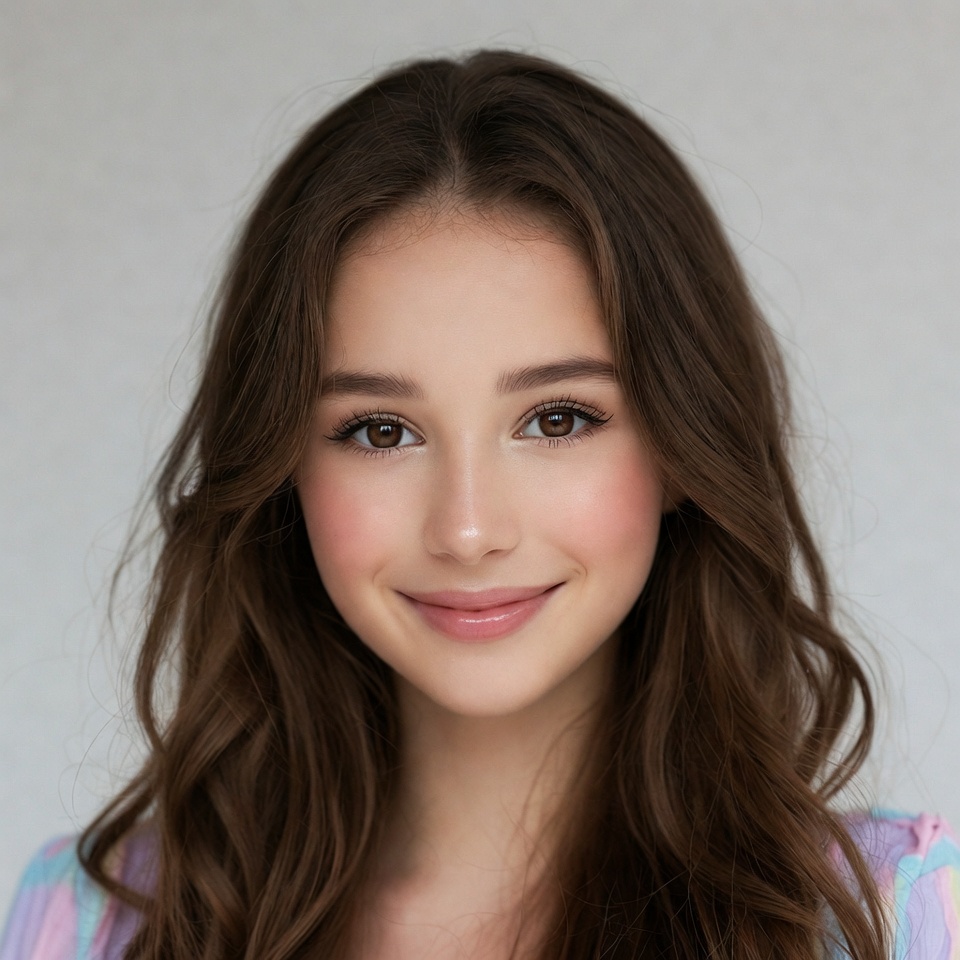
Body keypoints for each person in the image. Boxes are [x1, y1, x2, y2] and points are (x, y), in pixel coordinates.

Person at [1, 49, 957, 960]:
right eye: (381, 431)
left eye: (556, 419)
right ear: (282, 464)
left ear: (681, 443)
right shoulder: (97, 923)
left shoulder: (890, 919)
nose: (467, 530)